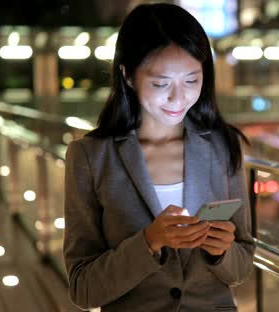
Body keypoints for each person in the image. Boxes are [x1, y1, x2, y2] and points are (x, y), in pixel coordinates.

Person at [63, 4, 255, 311]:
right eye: (161, 84)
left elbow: (242, 267)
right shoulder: (90, 156)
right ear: (127, 75)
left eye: (192, 80)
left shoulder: (222, 145)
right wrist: (149, 242)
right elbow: (83, 289)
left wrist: (222, 252)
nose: (179, 99)